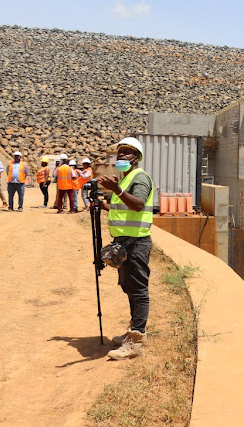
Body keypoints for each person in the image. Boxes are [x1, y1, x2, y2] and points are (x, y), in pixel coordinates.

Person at [98, 137, 153, 360]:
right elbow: (124, 207)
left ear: (137, 158)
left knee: (138, 290)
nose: (122, 155)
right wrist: (105, 206)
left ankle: (136, 341)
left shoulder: (139, 177)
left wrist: (117, 190)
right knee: (128, 287)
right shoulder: (127, 177)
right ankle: (133, 332)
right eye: (120, 152)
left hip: (137, 242)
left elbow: (138, 205)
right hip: (124, 242)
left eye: (128, 153)